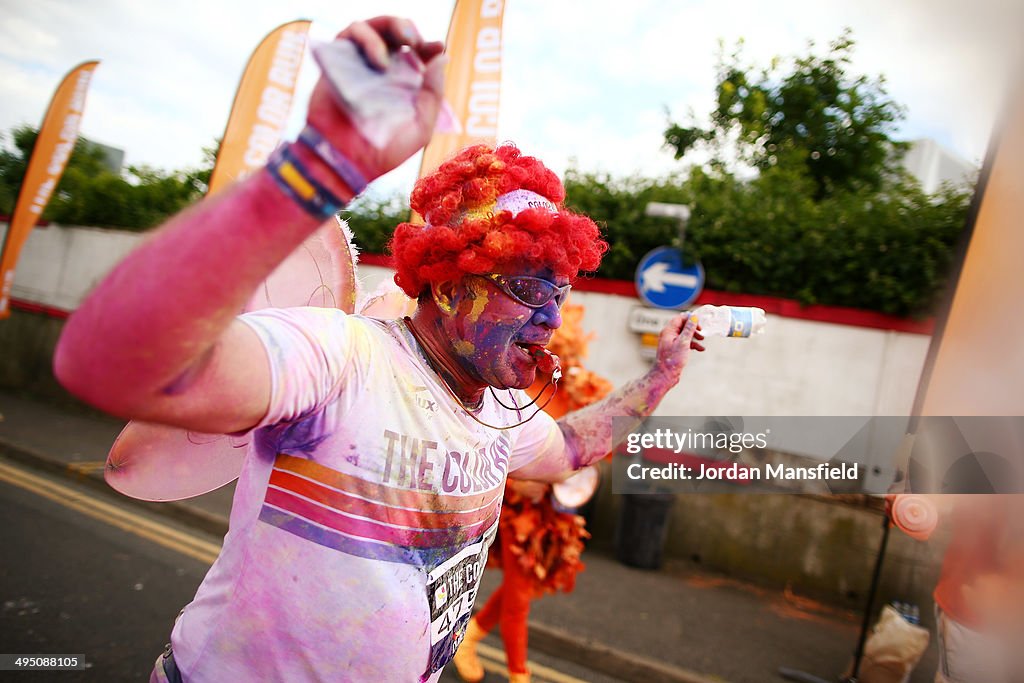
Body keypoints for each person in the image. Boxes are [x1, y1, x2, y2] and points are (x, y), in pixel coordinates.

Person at [54, 16, 704, 683]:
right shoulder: (340, 358)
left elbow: (571, 447)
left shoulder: (501, 410)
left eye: (560, 293)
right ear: (448, 280)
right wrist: (318, 165)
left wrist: (661, 376)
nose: (549, 318)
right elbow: (110, 363)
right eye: (528, 288)